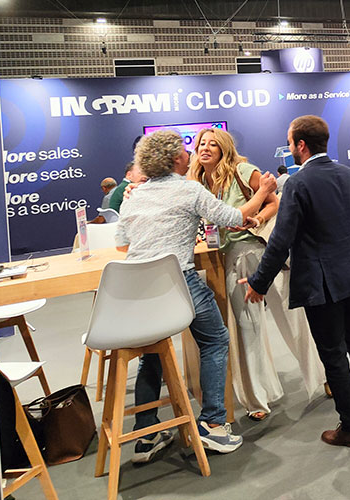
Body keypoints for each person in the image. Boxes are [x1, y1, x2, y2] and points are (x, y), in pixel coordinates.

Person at [116, 130, 275, 461]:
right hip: (179, 282)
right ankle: (213, 424)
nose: (192, 153)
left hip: (138, 292)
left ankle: (147, 435)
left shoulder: (134, 196)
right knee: (215, 340)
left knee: (151, 353)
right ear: (177, 158)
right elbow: (234, 218)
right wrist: (262, 192)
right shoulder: (189, 189)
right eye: (187, 149)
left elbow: (121, 244)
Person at [241, 115, 350, 448]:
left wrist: (259, 283)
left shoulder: (297, 183)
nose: (289, 147)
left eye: (290, 142)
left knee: (332, 351)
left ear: (300, 145)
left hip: (323, 280)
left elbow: (281, 240)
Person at [187, 127, 325, 422]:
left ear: (224, 149)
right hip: (232, 258)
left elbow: (275, 202)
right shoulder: (196, 182)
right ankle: (257, 398)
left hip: (263, 251)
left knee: (292, 318)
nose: (206, 148)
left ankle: (325, 375)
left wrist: (258, 218)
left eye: (213, 144)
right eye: (202, 144)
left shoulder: (243, 170)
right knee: (246, 328)